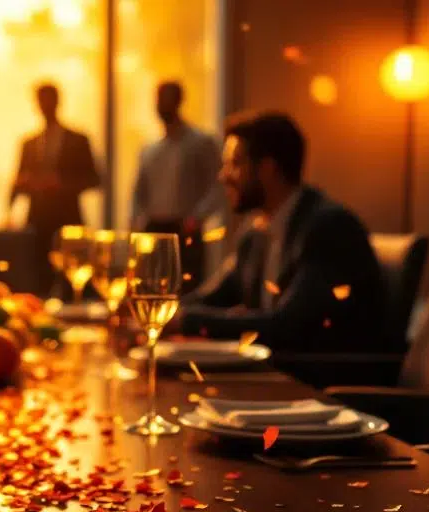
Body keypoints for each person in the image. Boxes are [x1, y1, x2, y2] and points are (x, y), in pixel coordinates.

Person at [178, 111, 389, 352]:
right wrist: (155, 315)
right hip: (269, 377)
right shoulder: (255, 233)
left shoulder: (328, 228)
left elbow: (289, 326)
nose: (223, 176)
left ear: (267, 168)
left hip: (316, 383)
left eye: (234, 164)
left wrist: (184, 322)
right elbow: (213, 298)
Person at [9, 82, 101, 296]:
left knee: (73, 283)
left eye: (48, 100)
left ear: (58, 102)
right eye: (41, 101)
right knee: (38, 281)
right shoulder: (28, 143)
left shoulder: (78, 140)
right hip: (38, 222)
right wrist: (22, 187)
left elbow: (94, 178)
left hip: (68, 221)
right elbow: (17, 181)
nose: (44, 105)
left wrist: (61, 184)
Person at [131, 81, 224, 289]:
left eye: (166, 99)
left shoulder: (201, 143)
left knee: (186, 291)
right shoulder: (150, 149)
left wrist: (197, 217)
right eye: (158, 99)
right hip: (153, 232)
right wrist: (136, 222)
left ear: (178, 101)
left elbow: (218, 185)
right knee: (151, 289)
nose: (161, 105)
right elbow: (138, 193)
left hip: (185, 231)